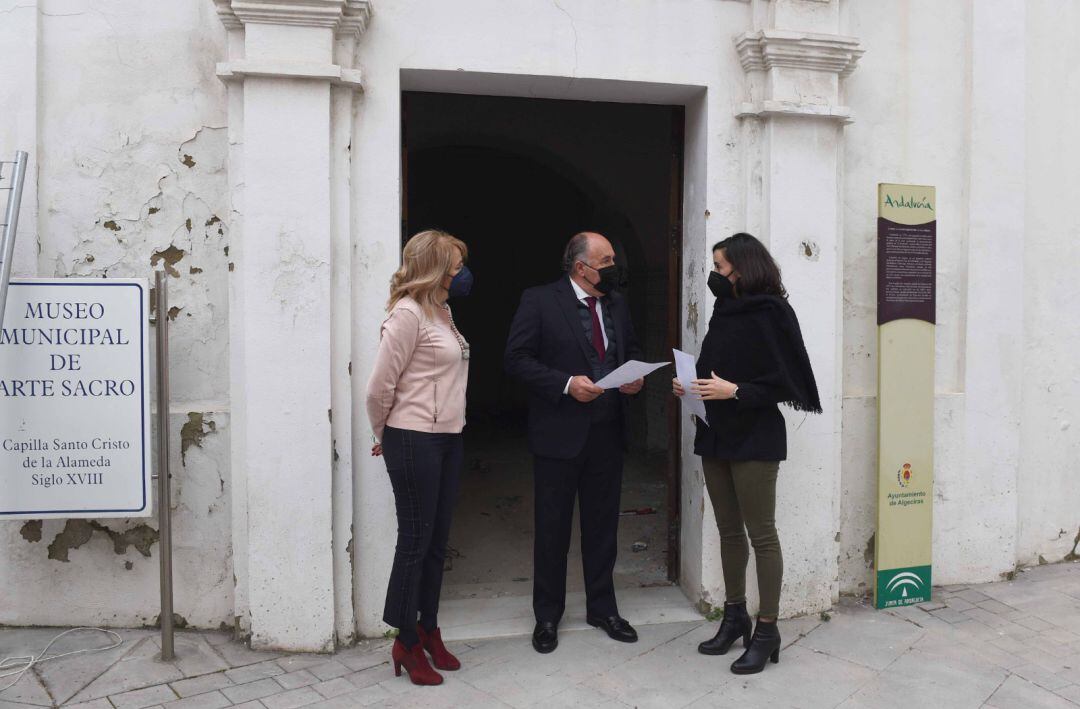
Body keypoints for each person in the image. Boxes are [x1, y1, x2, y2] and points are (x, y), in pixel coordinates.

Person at [672, 232, 821, 675]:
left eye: (720, 267)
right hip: (716, 432)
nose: (715, 275)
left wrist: (734, 390)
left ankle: (768, 629)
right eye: (715, 267)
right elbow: (713, 366)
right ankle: (734, 616)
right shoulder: (724, 309)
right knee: (728, 531)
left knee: (762, 535)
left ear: (743, 266)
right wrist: (692, 385)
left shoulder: (774, 312)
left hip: (756, 436)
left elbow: (788, 383)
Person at [504, 231, 645, 654]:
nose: (613, 268)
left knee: (603, 527)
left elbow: (630, 349)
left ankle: (603, 608)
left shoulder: (617, 303)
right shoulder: (540, 300)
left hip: (607, 432)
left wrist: (634, 377)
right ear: (581, 267)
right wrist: (565, 384)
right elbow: (516, 359)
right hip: (558, 434)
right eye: (606, 261)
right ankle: (547, 615)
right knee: (552, 528)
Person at [365, 229, 474, 686]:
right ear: (433, 267)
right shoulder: (407, 314)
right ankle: (405, 640)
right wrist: (382, 433)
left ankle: (429, 627)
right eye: (454, 264)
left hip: (448, 437)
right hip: (413, 438)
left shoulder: (442, 311)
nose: (461, 272)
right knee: (415, 541)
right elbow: (378, 387)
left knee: (436, 541)